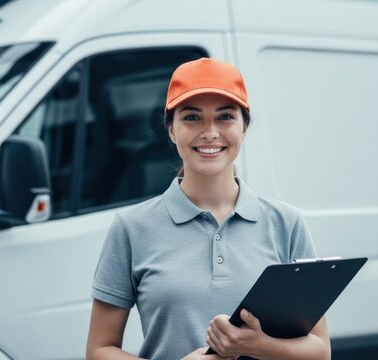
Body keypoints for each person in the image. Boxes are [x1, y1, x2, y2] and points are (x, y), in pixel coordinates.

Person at [86, 58, 331, 360]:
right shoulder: (131, 227)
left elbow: (320, 352)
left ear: (244, 129)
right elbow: (99, 350)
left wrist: (255, 346)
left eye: (225, 117)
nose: (210, 132)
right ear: (172, 131)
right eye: (192, 118)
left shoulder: (286, 223)